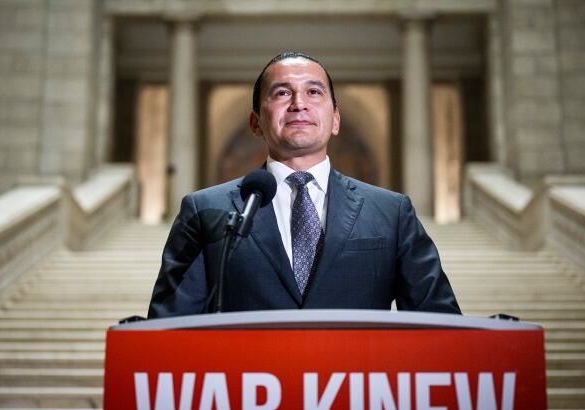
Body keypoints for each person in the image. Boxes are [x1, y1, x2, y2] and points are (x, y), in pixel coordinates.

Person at [148, 52, 460, 318]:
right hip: (249, 385)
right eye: (282, 93)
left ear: (335, 119)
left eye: (314, 92)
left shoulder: (392, 212)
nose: (299, 103)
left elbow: (441, 326)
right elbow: (168, 330)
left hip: (355, 385)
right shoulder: (205, 210)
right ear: (255, 122)